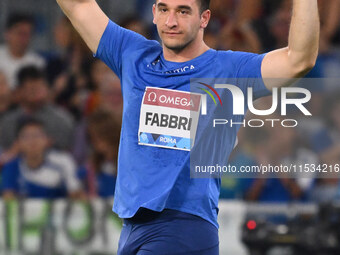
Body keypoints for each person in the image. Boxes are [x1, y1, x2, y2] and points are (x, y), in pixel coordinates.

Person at [56, 0, 319, 254]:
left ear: (204, 18)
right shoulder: (132, 54)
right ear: (154, 13)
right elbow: (79, 6)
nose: (171, 21)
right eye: (164, 10)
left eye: (183, 11)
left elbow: (298, 59)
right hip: (133, 227)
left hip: (184, 225)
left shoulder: (230, 70)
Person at [0, 65, 75, 161]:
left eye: (41, 88)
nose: (38, 94)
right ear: (19, 91)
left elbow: (68, 154)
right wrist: (14, 151)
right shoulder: (7, 122)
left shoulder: (63, 120)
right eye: (32, 89)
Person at [1, 118, 82, 200]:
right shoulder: (11, 167)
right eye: (26, 136)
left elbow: (76, 195)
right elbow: (8, 199)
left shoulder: (64, 161)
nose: (32, 141)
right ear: (18, 143)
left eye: (37, 135)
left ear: (48, 140)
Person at [0, 13, 45, 89]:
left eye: (27, 34)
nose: (23, 39)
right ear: (7, 34)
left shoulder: (37, 63)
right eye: (20, 33)